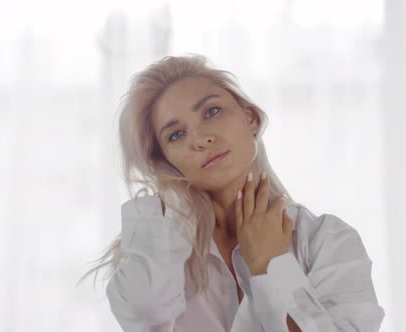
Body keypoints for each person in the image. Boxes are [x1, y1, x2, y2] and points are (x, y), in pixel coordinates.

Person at [78, 54, 385, 331]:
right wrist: (168, 193)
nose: (200, 139)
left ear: (251, 117)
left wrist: (269, 265)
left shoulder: (326, 241)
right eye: (176, 135)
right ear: (165, 160)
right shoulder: (156, 252)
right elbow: (144, 316)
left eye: (211, 111)